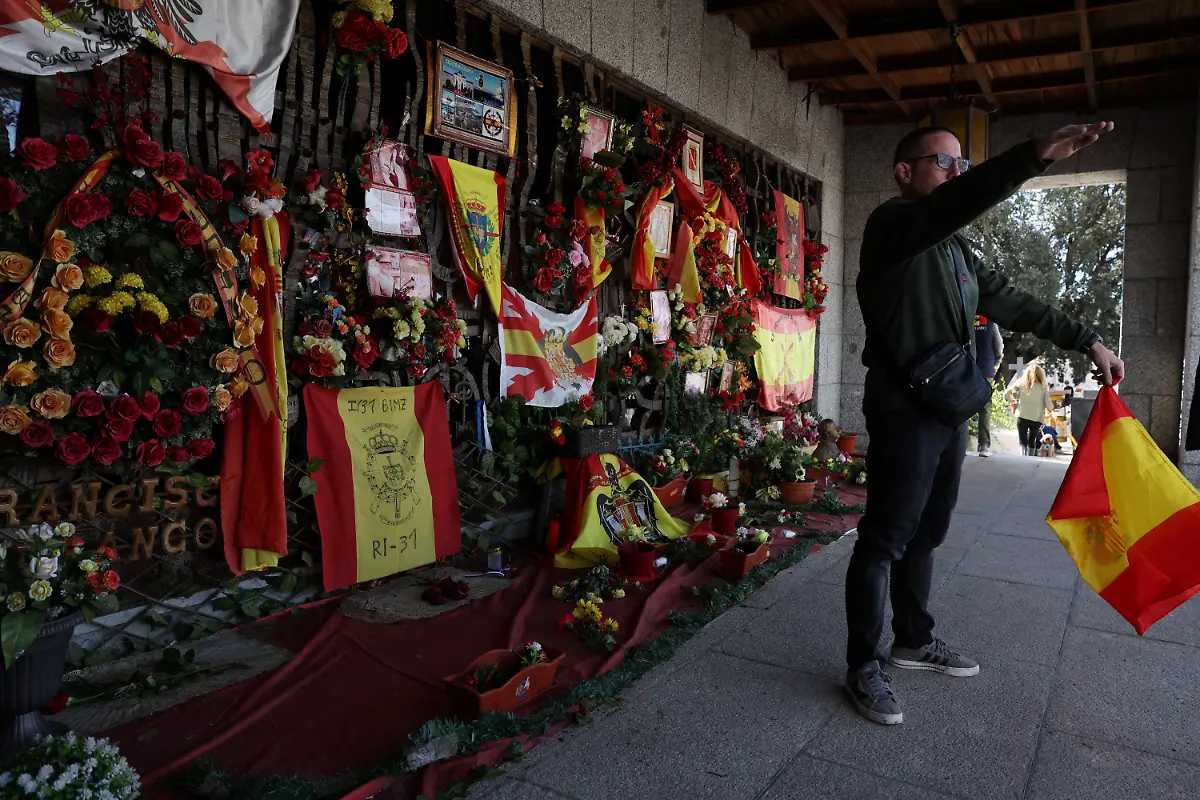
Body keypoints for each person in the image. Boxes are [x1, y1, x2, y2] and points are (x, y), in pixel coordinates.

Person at [847, 122, 1125, 726]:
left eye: (962, 163)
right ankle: (863, 666)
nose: (957, 173)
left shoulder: (957, 253)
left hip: (946, 407)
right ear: (905, 171)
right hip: (903, 411)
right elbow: (956, 203)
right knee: (885, 539)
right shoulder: (893, 226)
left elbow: (1016, 302)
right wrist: (1033, 157)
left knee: (928, 532)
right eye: (945, 162)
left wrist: (1089, 339)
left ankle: (913, 641)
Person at [1006, 363, 1055, 456]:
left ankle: (1023, 456)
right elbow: (1047, 402)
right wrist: (1052, 411)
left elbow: (1007, 394)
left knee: (1022, 439)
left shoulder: (1020, 384)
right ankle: (1031, 457)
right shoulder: (1043, 387)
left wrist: (1013, 401)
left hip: (1022, 415)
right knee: (1032, 439)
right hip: (1036, 418)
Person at [973, 316, 1004, 457]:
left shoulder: (966, 316)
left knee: (961, 402)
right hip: (985, 369)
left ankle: (958, 444)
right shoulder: (991, 321)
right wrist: (995, 361)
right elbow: (998, 346)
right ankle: (983, 445)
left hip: (967, 368)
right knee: (985, 407)